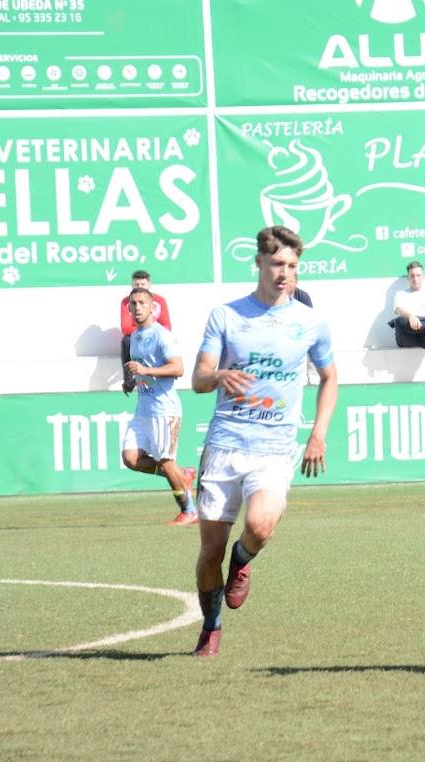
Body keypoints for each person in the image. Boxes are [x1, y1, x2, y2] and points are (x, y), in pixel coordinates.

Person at [189, 226, 339, 657]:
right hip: (225, 446)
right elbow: (198, 378)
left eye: (292, 266)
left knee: (260, 526)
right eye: (276, 264)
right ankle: (211, 627)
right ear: (258, 263)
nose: (284, 273)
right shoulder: (226, 315)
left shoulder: (310, 322)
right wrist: (217, 376)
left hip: (273, 449)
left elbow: (330, 379)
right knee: (208, 551)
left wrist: (318, 434)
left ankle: (244, 560)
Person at [121, 286, 196, 526]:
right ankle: (182, 475)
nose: (137, 307)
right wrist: (133, 380)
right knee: (131, 458)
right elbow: (141, 369)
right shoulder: (135, 337)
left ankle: (190, 510)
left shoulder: (161, 335)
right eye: (133, 304)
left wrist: (145, 370)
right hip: (143, 410)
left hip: (164, 411)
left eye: (142, 303)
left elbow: (178, 368)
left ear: (152, 307)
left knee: (166, 461)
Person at [119, 270, 171, 395]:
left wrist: (150, 331)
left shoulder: (159, 300)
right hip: (137, 336)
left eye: (143, 285)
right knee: (126, 341)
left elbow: (167, 325)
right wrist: (142, 331)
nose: (139, 288)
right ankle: (129, 380)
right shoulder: (127, 302)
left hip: (155, 336)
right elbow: (126, 327)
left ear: (149, 285)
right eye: (136, 285)